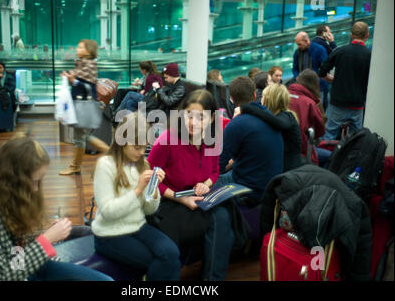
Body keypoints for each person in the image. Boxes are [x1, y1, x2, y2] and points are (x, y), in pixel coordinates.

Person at [0, 134, 113, 281]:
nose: (35, 189)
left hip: (20, 267)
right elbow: (0, 276)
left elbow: (15, 249)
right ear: (13, 178)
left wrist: (43, 235)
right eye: (34, 182)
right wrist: (46, 240)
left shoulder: (2, 191)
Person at [147, 89, 236, 281]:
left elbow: (214, 172)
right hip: (167, 200)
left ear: (212, 118)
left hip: (195, 197)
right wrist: (180, 198)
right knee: (190, 223)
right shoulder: (167, 141)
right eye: (189, 115)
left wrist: (206, 183)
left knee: (222, 216)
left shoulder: (211, 141)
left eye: (200, 118)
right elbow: (149, 180)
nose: (193, 122)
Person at [92, 112, 181, 281]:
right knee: (163, 261)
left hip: (137, 226)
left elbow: (148, 210)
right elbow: (108, 212)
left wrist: (153, 190)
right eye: (136, 147)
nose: (141, 152)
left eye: (144, 147)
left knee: (172, 253)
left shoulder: (143, 164)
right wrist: (138, 190)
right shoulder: (105, 165)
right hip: (109, 233)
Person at [217, 76, 283, 203]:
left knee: (204, 184)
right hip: (272, 186)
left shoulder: (236, 124)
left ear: (231, 98)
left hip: (248, 191)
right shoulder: (269, 116)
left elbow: (218, 165)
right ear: (254, 95)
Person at [59, 39, 107, 175]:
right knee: (81, 136)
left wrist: (73, 81)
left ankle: (109, 153)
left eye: (80, 47)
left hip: (83, 107)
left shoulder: (89, 66)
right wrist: (71, 80)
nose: (77, 49)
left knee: (81, 137)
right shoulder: (82, 65)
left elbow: (88, 88)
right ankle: (76, 165)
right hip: (80, 105)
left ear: (88, 50)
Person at [318, 21, 372, 141]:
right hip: (357, 106)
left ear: (351, 35)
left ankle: (327, 159)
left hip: (338, 103)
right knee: (355, 140)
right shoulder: (370, 55)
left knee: (327, 137)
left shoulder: (340, 51)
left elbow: (321, 72)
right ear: (367, 36)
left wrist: (331, 79)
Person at [240, 84, 301, 172]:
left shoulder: (287, 115)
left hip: (289, 170)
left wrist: (246, 108)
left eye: (263, 96)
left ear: (269, 99)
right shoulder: (275, 117)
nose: (260, 99)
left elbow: (280, 123)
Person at [288, 69, 329, 166]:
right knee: (330, 156)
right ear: (315, 84)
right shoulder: (310, 103)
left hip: (282, 148)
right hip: (301, 150)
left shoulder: (283, 94)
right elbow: (320, 131)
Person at [292, 31, 329, 110]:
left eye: (299, 44)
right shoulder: (297, 52)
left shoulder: (320, 50)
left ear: (306, 41)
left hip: (318, 88)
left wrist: (314, 81)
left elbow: (325, 69)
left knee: (317, 110)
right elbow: (295, 68)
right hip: (302, 87)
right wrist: (297, 76)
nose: (298, 46)